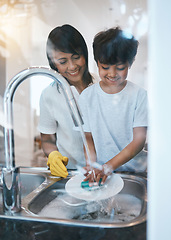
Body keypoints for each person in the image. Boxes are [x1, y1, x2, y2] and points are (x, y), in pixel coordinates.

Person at [78, 27, 148, 185]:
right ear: (97, 63)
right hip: (104, 173)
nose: (112, 73)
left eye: (120, 67)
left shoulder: (139, 95)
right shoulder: (87, 97)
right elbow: (88, 138)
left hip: (134, 174)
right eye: (105, 67)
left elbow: (139, 140)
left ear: (130, 64)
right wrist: (92, 165)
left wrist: (108, 166)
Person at [38, 24, 96, 178]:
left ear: (85, 53)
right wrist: (53, 155)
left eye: (76, 57)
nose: (72, 66)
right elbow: (47, 139)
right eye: (63, 62)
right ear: (53, 64)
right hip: (70, 174)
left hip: (107, 170)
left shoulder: (102, 84)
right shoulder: (49, 95)